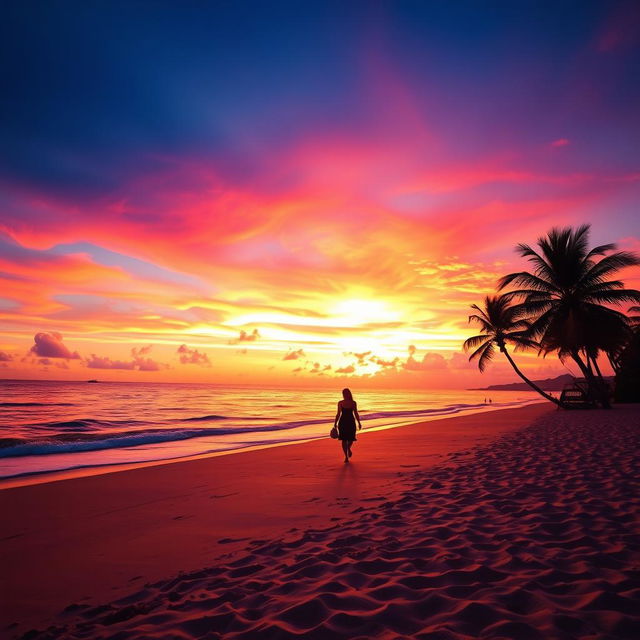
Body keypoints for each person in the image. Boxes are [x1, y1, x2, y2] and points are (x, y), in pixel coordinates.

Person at [334, 388, 362, 463]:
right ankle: (346, 457)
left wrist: (359, 422)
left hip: (348, 422)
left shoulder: (353, 403)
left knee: (351, 438)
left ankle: (348, 449)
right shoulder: (340, 403)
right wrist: (335, 423)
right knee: (344, 439)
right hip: (345, 422)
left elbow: (356, 413)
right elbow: (338, 414)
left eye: (344, 393)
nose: (344, 395)